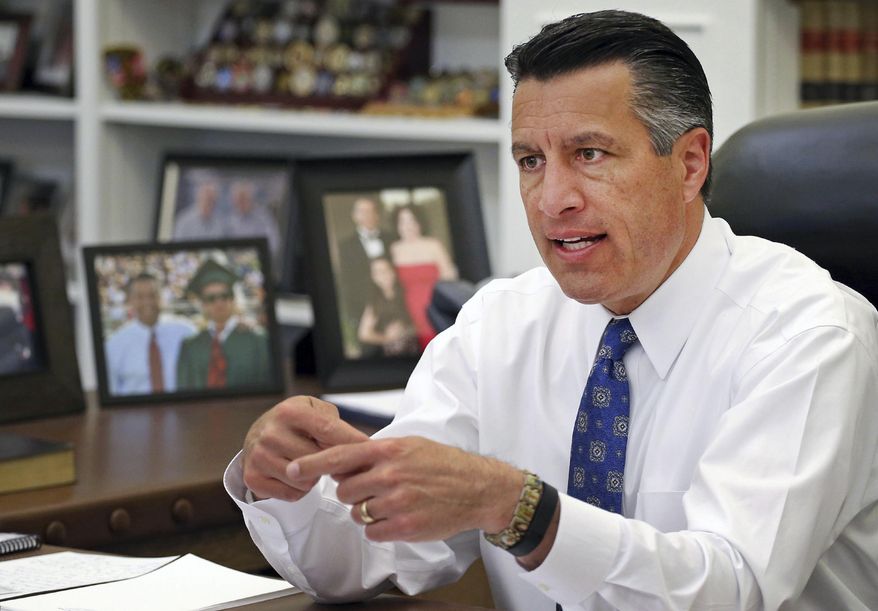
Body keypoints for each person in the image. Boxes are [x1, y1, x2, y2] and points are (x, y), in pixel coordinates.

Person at [225, 10, 878, 611]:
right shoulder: (500, 324)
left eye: (589, 154)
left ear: (689, 164)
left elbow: (730, 590)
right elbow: (371, 558)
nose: (551, 199)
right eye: (531, 161)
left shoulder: (810, 334)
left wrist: (519, 508)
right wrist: (289, 482)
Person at [176, 259, 271, 390]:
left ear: (233, 298)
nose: (219, 302)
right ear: (203, 304)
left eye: (224, 296)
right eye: (211, 298)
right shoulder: (190, 346)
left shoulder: (257, 340)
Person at [104, 272, 195, 395]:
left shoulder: (185, 332)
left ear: (162, 298)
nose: (147, 302)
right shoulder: (114, 344)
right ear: (131, 300)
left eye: (153, 295)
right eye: (140, 297)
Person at [389, 204, 458, 350]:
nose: (408, 226)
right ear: (397, 225)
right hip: (408, 310)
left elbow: (449, 276)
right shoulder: (393, 250)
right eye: (403, 221)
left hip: (435, 306)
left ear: (419, 222)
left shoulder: (433, 245)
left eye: (412, 220)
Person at [336, 197, 392, 350]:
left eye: (371, 211)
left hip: (393, 306)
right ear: (355, 216)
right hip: (363, 307)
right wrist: (353, 313)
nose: (367, 215)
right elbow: (347, 280)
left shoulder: (391, 238)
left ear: (377, 214)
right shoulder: (346, 245)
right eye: (362, 211)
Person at [357, 256, 419, 357]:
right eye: (378, 272)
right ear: (373, 277)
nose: (383, 275)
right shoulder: (375, 302)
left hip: (415, 351)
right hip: (393, 356)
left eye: (386, 270)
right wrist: (387, 338)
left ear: (393, 272)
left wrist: (407, 330)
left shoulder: (407, 293)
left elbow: (420, 323)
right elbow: (364, 334)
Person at [225, 178, 281, 258]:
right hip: (235, 259)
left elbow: (274, 243)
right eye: (238, 199)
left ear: (251, 198)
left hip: (259, 258)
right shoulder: (229, 220)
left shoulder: (263, 218)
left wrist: (254, 255)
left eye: (244, 198)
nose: (241, 203)